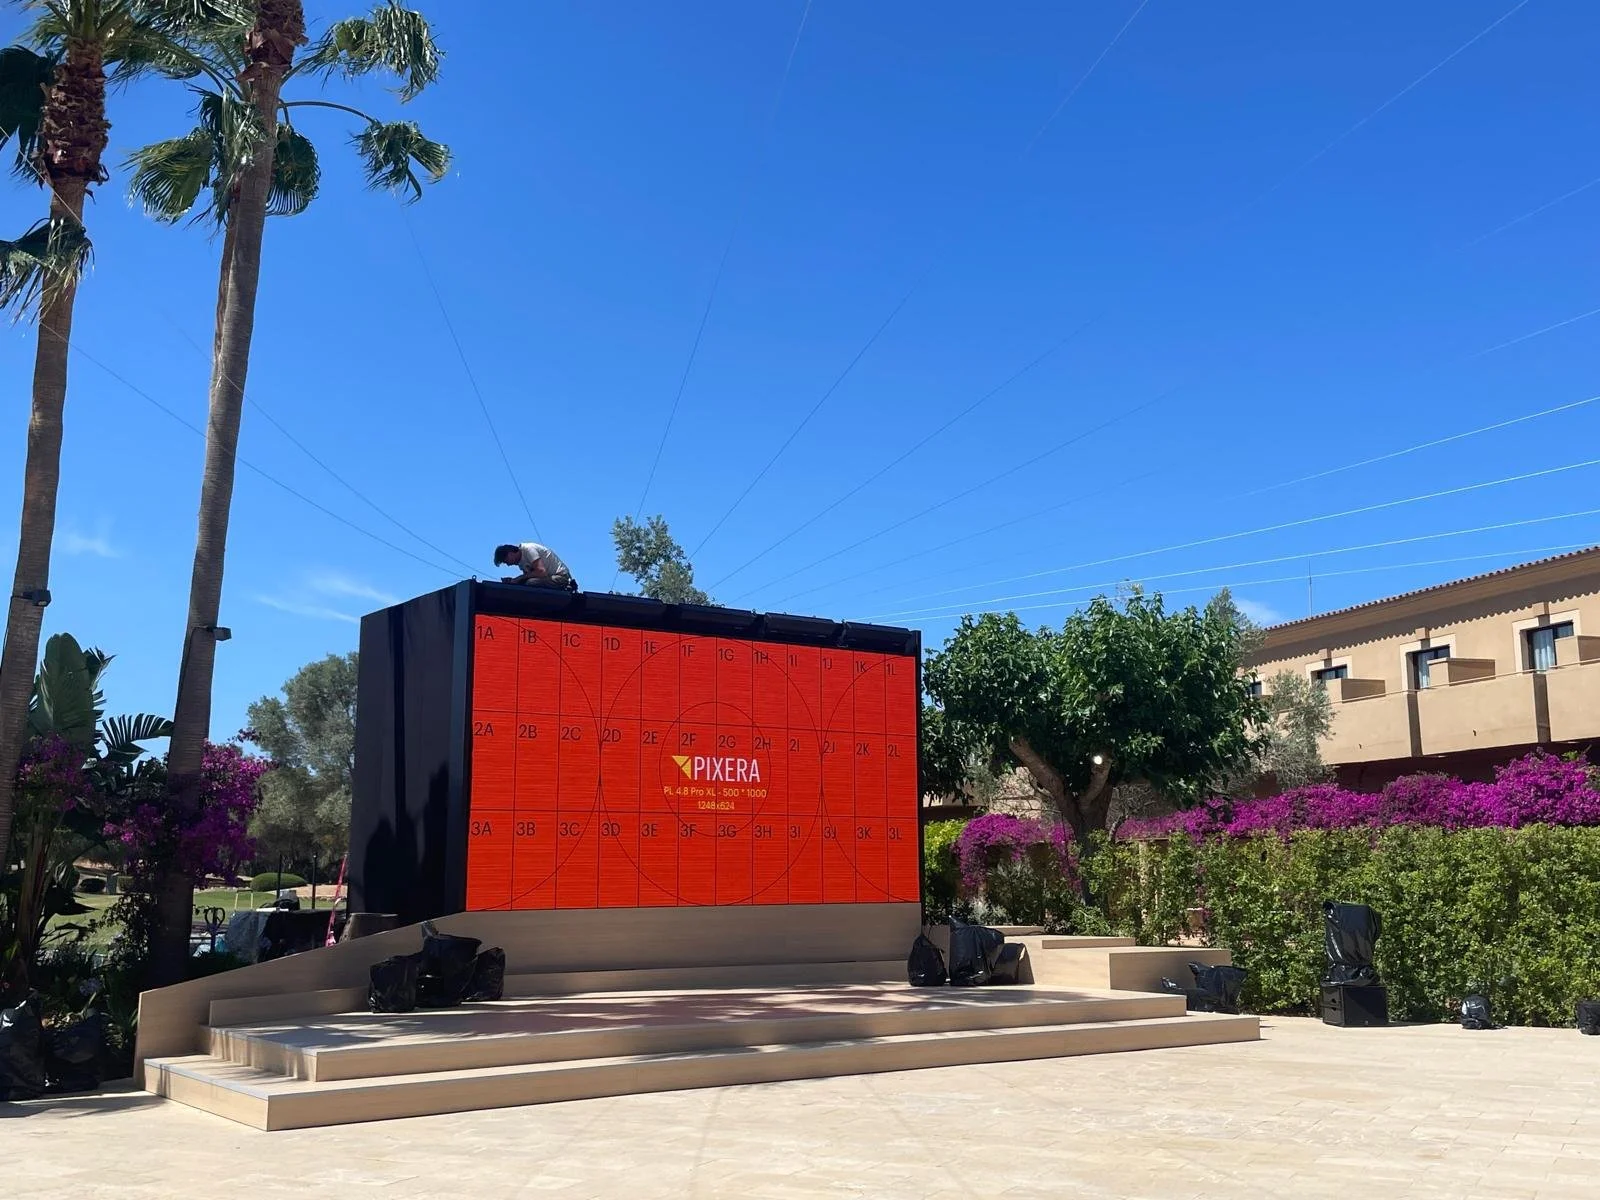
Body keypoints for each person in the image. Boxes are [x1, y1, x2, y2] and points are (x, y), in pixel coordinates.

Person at [493, 542, 577, 591]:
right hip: (548, 579)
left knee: (531, 583)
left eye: (506, 561)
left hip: (560, 577)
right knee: (526, 583)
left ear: (509, 553)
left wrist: (519, 578)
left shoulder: (528, 549)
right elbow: (529, 576)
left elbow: (541, 572)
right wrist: (513, 581)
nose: (508, 564)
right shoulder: (521, 562)